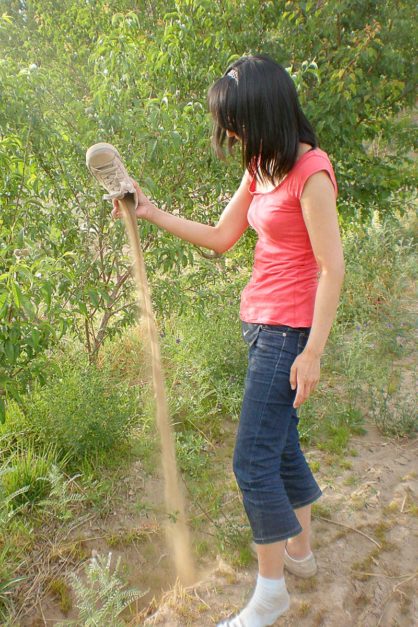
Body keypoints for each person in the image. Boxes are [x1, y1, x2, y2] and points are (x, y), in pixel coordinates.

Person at [112, 54, 345, 627]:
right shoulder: (260, 167)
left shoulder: (310, 172)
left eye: (236, 121)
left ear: (264, 111)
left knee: (251, 460)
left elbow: (332, 267)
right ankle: (301, 555)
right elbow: (221, 237)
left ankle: (271, 595)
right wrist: (150, 211)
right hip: (258, 322)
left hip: (289, 332)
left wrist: (312, 350)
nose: (232, 133)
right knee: (280, 443)